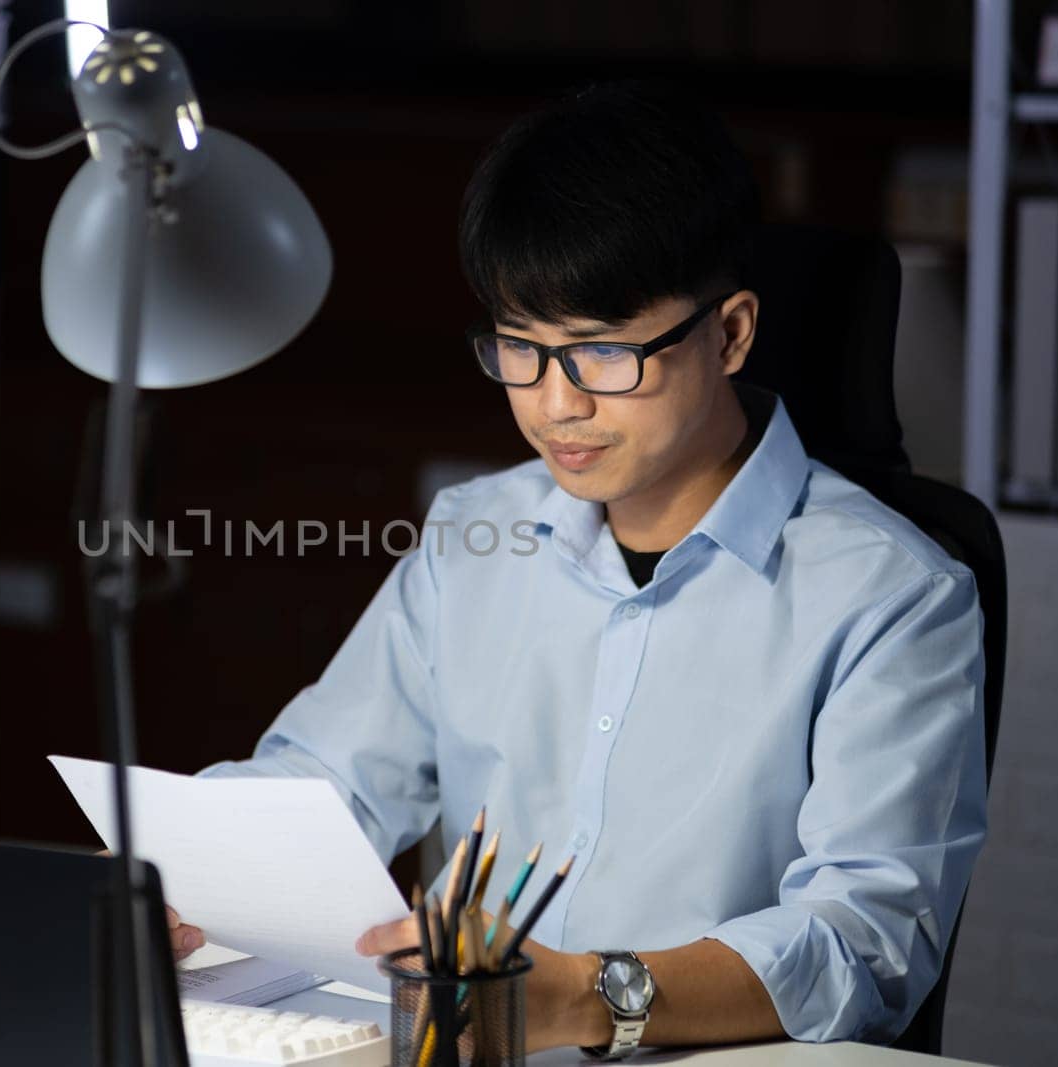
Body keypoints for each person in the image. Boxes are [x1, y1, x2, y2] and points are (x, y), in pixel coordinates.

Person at [166, 80, 986, 1057]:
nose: (555, 405)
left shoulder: (892, 592)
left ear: (728, 332)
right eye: (521, 345)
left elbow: (862, 940)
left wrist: (589, 995)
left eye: (601, 353)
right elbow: (328, 777)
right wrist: (174, 869)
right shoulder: (477, 533)